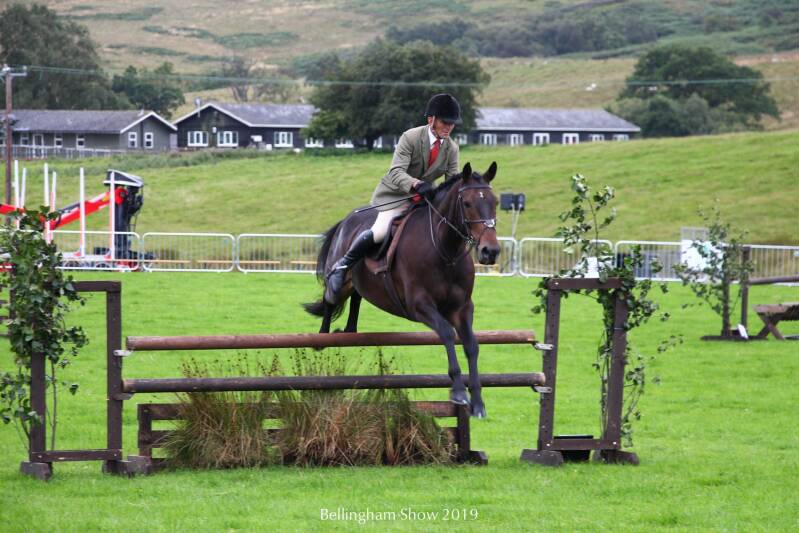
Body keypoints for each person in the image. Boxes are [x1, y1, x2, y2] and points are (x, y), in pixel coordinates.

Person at [325, 93, 463, 303]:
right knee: (380, 231)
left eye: (452, 124)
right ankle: (342, 266)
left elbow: (451, 181)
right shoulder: (410, 137)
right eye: (445, 122)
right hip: (396, 195)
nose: (449, 127)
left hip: (424, 200)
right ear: (431, 120)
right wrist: (416, 184)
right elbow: (396, 172)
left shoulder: (452, 148)